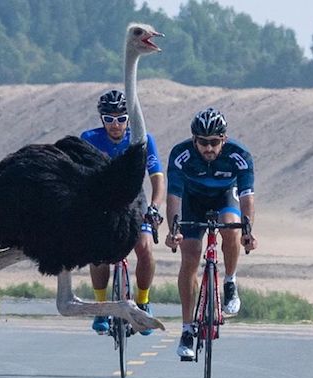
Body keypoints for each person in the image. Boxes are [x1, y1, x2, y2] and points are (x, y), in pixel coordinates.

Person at [164, 107, 258, 359]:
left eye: (214, 142)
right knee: (191, 255)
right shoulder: (180, 154)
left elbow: (247, 196)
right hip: (192, 201)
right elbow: (173, 196)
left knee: (231, 228)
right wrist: (173, 230)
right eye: (203, 143)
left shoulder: (239, 155)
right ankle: (186, 329)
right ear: (194, 140)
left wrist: (248, 230)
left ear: (223, 140)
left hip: (224, 197)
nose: (208, 148)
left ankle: (230, 281)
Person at [80, 89, 166, 336]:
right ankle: (100, 307)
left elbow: (158, 180)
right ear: (102, 119)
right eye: (109, 119)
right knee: (99, 252)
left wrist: (154, 208)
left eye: (121, 118)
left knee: (144, 247)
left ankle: (143, 301)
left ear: (130, 118)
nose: (115, 125)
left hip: (134, 198)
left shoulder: (142, 138)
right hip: (103, 198)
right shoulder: (89, 138)